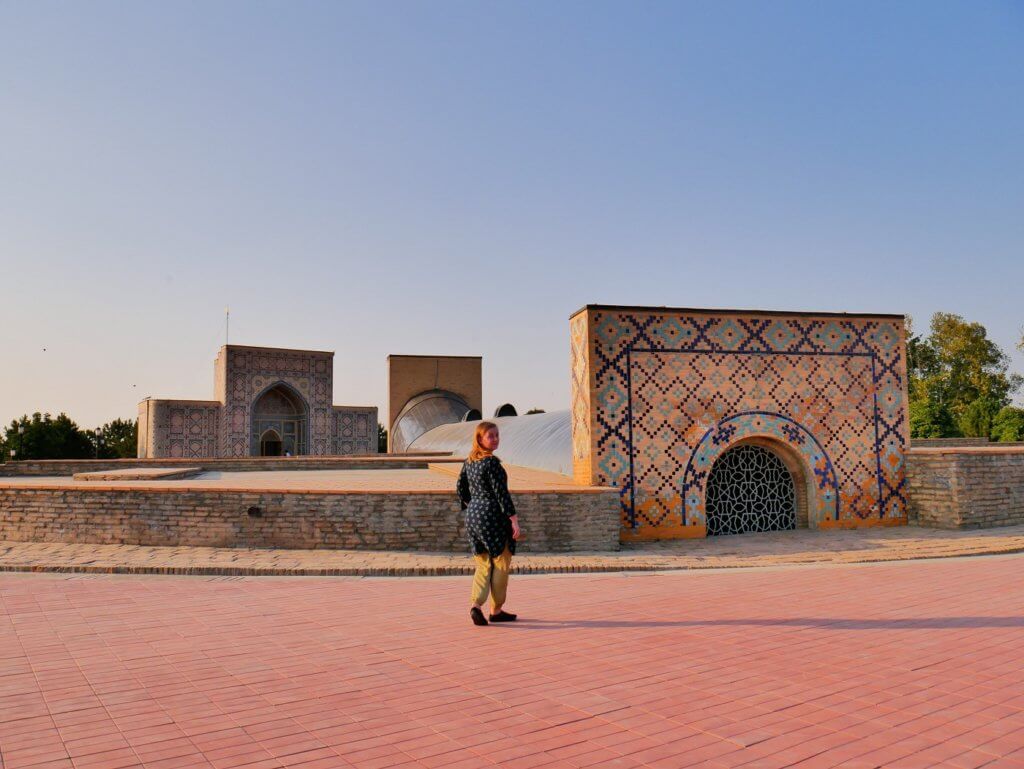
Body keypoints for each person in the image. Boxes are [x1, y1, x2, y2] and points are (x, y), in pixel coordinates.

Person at [457, 421, 521, 626]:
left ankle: (476, 605)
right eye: (490, 436)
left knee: (483, 562)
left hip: (473, 516)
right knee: (501, 561)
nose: (495, 439)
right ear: (480, 439)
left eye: (497, 435)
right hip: (493, 515)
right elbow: (502, 494)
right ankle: (496, 609)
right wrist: (514, 520)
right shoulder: (491, 463)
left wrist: (473, 505)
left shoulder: (469, 462)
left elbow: (460, 488)